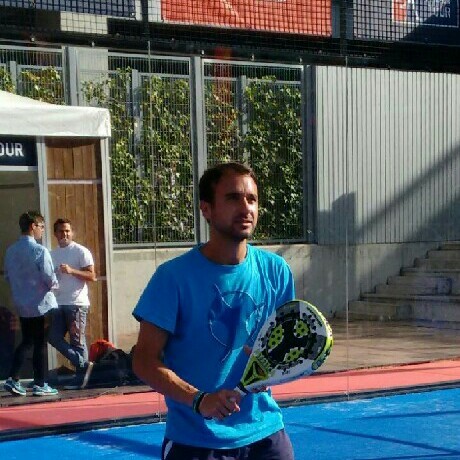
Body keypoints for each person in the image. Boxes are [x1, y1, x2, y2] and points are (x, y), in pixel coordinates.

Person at [132, 162, 296, 459]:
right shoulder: (172, 278)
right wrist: (199, 400)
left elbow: (283, 345)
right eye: (233, 198)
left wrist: (271, 370)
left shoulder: (277, 271)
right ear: (206, 209)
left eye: (252, 199)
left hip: (267, 436)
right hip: (195, 442)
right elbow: (143, 361)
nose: (245, 208)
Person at [3, 211, 59, 397]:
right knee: (40, 344)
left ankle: (13, 377)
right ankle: (40, 383)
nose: (42, 230)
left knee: (27, 341)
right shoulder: (40, 251)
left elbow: (8, 276)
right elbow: (49, 277)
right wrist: (55, 285)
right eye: (41, 226)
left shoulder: (11, 251)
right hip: (42, 304)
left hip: (23, 304)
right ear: (33, 226)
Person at [48, 218, 96, 386]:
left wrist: (71, 270)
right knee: (53, 337)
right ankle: (83, 365)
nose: (65, 234)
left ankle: (81, 378)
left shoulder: (80, 251)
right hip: (58, 302)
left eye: (67, 231)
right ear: (55, 234)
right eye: (61, 231)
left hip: (76, 302)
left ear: (72, 232)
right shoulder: (52, 254)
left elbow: (92, 276)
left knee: (77, 341)